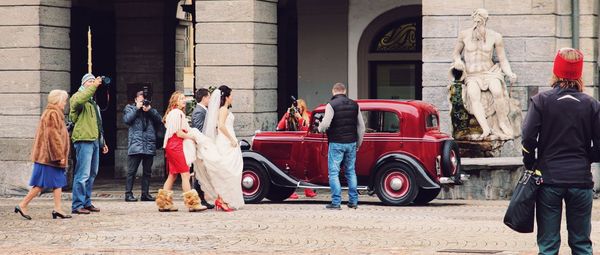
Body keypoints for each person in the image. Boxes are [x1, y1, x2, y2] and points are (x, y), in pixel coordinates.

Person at [522, 48, 597, 254]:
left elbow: (528, 137)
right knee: (582, 244)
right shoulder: (591, 104)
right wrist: (585, 158)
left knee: (548, 246)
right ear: (579, 74)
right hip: (581, 181)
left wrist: (531, 162)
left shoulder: (541, 101)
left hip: (549, 181)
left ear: (556, 71)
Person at [452, 8, 518, 140]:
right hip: (472, 75)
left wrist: (510, 73)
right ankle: (486, 128)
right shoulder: (464, 35)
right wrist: (458, 61)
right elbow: (455, 53)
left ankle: (502, 123)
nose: (478, 21)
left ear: (486, 20)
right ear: (473, 18)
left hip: (490, 72)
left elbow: (502, 59)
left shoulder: (495, 36)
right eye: (476, 18)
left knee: (497, 91)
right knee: (473, 94)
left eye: (481, 19)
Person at [14, 90, 72, 220]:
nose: (65, 103)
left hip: (48, 157)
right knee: (41, 184)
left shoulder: (54, 113)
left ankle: (58, 209)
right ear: (58, 101)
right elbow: (52, 137)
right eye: (64, 100)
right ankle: (22, 204)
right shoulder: (52, 114)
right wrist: (59, 155)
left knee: (58, 182)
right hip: (48, 158)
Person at [194, 85, 244, 212]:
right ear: (226, 97)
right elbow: (221, 126)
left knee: (229, 171)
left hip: (227, 140)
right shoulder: (223, 110)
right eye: (231, 95)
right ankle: (222, 199)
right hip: (225, 141)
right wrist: (232, 139)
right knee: (226, 171)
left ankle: (223, 199)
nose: (232, 98)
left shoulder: (223, 109)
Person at [155, 91, 206, 212]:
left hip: (171, 146)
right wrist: (192, 137)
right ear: (175, 101)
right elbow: (179, 133)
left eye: (184, 98)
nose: (184, 100)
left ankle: (164, 203)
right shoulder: (178, 113)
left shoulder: (172, 113)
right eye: (181, 99)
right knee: (185, 174)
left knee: (172, 175)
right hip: (176, 146)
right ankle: (193, 204)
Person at [318, 83, 365, 210]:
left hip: (336, 142)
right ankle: (353, 201)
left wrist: (319, 127)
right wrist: (358, 144)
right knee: (350, 172)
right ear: (345, 91)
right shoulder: (355, 105)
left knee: (333, 173)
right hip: (351, 142)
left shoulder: (331, 105)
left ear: (333, 91)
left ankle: (336, 203)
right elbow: (362, 127)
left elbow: (325, 124)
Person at [70, 73, 109, 215]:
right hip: (83, 140)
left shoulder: (93, 103)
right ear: (83, 84)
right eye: (90, 81)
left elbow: (98, 124)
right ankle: (77, 204)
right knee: (82, 174)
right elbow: (79, 101)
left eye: (94, 81)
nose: (93, 83)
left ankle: (86, 202)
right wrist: (94, 86)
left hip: (94, 140)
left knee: (92, 173)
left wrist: (102, 141)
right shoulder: (77, 97)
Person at [122, 90, 163, 202]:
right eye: (140, 100)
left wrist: (149, 110)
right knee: (131, 171)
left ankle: (145, 194)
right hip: (136, 144)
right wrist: (137, 108)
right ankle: (128, 194)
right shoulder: (130, 108)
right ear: (135, 100)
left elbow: (160, 120)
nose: (142, 102)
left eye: (143, 100)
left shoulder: (150, 110)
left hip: (149, 144)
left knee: (147, 172)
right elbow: (127, 120)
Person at [276, 98, 318, 199]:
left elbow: (308, 129)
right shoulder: (289, 115)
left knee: (305, 169)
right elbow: (279, 127)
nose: (296, 110)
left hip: (304, 145)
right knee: (291, 169)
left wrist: (299, 118)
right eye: (295, 108)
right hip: (292, 146)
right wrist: (287, 116)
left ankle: (308, 190)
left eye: (299, 108)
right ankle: (290, 191)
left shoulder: (308, 115)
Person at [190, 88, 215, 209]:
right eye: (209, 97)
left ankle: (200, 199)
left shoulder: (203, 110)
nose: (210, 100)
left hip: (204, 146)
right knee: (199, 173)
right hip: (202, 146)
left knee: (201, 174)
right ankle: (198, 199)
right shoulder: (199, 111)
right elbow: (199, 130)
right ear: (204, 98)